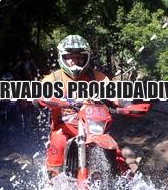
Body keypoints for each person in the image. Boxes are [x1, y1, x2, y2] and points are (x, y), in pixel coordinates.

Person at [38, 35, 128, 177]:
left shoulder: (98, 78)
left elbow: (115, 95)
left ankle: (128, 183)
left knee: (115, 152)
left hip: (94, 128)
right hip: (64, 128)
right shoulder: (53, 79)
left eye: (80, 57)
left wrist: (126, 105)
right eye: (70, 57)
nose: (75, 61)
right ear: (62, 57)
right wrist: (44, 99)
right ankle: (53, 184)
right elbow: (39, 95)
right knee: (58, 144)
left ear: (87, 57)